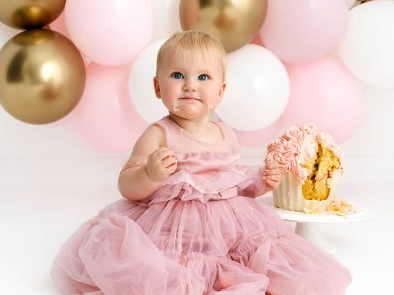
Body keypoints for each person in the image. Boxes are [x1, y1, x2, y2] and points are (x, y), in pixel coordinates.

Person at [51, 30, 351, 295]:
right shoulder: (158, 134)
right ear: (157, 87)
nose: (190, 86)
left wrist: (260, 180)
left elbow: (235, 183)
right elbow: (127, 186)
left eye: (203, 77)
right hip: (172, 227)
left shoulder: (225, 134)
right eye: (178, 75)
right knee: (165, 269)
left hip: (228, 227)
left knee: (256, 261)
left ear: (220, 92)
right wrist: (149, 173)